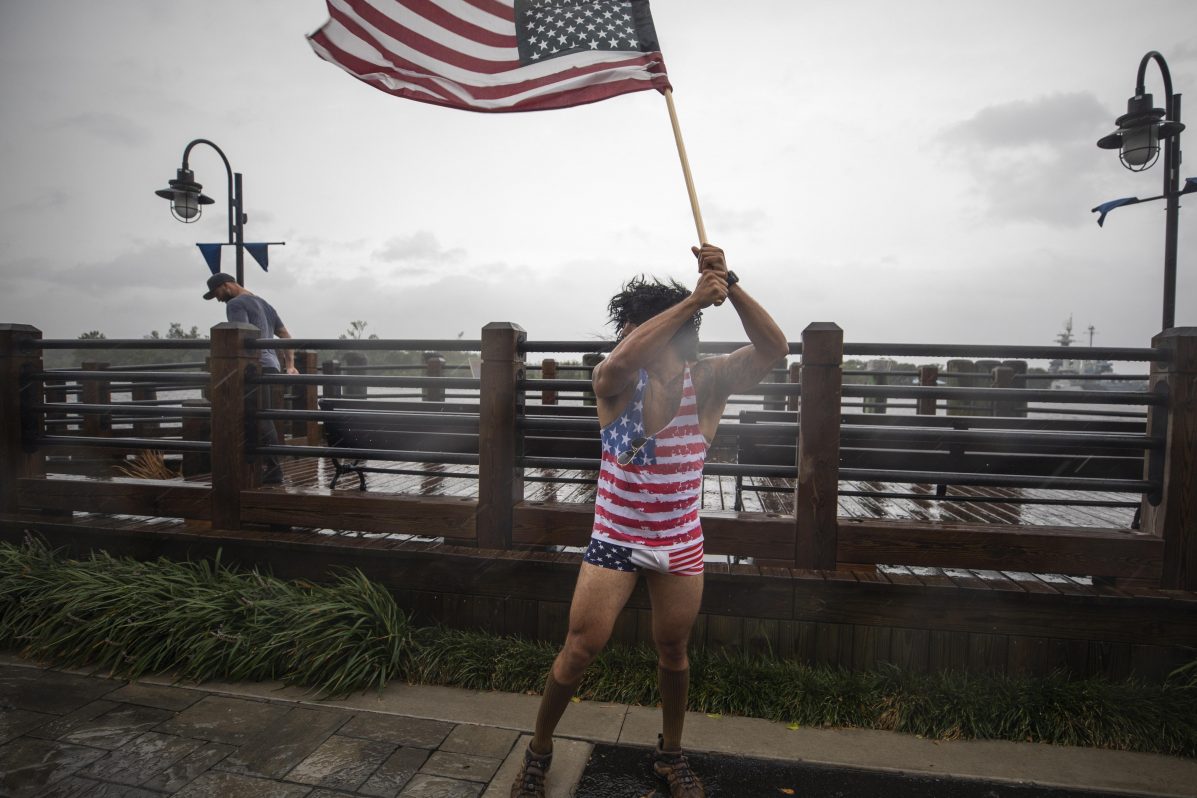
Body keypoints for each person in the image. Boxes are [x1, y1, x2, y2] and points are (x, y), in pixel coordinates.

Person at [511, 245, 788, 798]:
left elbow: (774, 349)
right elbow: (615, 365)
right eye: (628, 331)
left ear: (669, 334)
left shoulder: (707, 382)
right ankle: (538, 752)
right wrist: (693, 301)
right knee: (580, 647)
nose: (624, 340)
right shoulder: (614, 382)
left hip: (679, 540)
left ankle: (671, 755)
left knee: (673, 651)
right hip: (615, 537)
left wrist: (728, 283)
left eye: (633, 329)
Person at [203, 272, 299, 484]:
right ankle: (266, 467)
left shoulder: (235, 304)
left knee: (257, 416)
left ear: (226, 285)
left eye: (216, 293)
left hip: (253, 368)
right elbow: (285, 336)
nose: (218, 299)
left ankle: (272, 469)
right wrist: (290, 365)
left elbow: (242, 335)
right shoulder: (265, 304)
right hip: (271, 366)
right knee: (262, 415)